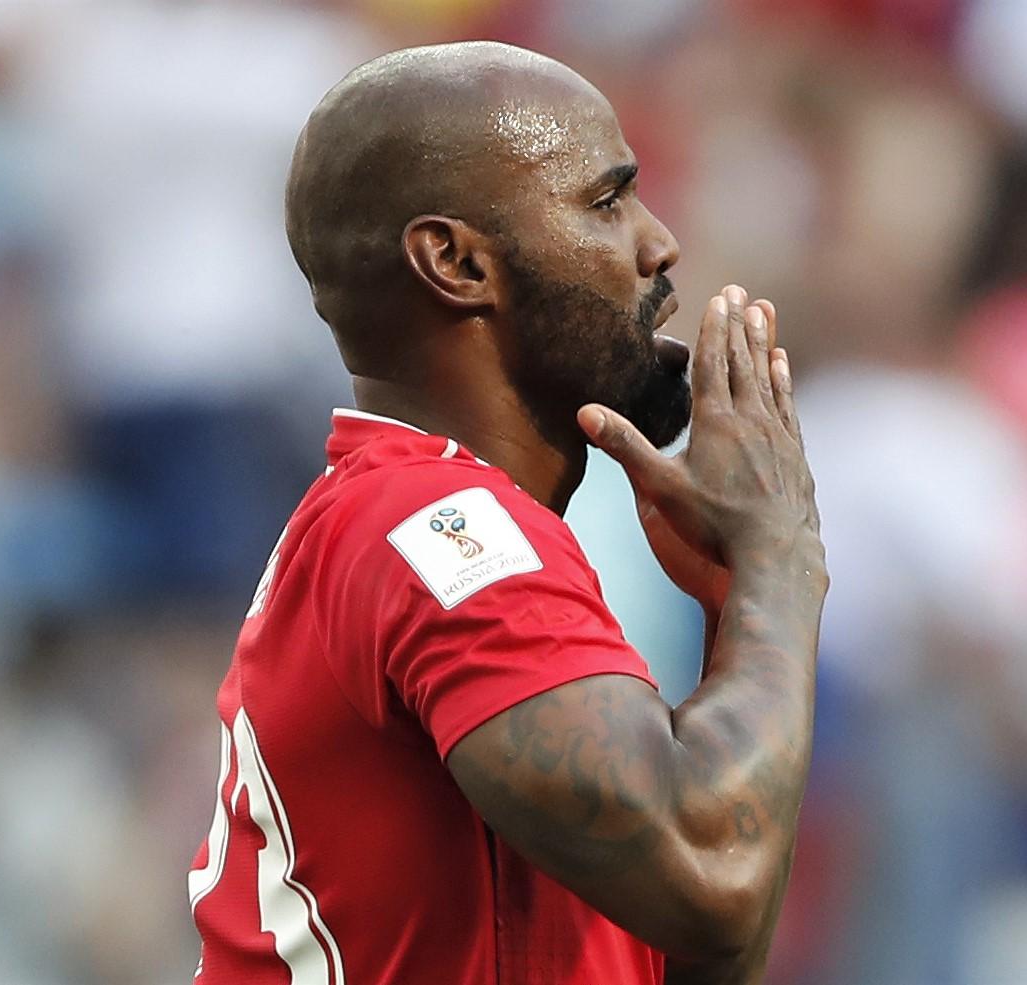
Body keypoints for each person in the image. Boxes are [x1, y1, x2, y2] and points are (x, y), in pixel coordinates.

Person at [187, 41, 827, 985]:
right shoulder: (441, 526)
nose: (659, 243)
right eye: (607, 203)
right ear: (455, 262)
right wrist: (782, 566)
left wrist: (739, 603)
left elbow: (710, 940)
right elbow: (708, 874)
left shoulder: (430, 525)